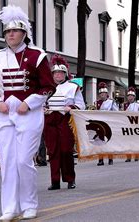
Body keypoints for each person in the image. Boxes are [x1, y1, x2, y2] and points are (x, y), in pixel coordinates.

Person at [0, 5, 56, 220]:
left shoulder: (37, 55)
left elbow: (48, 86)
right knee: (7, 163)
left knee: (23, 161)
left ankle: (28, 204)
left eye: (14, 31)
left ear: (24, 32)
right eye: (7, 32)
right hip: (5, 114)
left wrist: (31, 102)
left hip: (29, 114)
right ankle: (9, 208)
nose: (10, 35)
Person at [44, 54, 84, 190]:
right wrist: (43, 109)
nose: (58, 75)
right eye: (55, 73)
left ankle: (70, 179)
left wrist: (70, 107)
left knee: (66, 150)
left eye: (60, 73)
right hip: (50, 121)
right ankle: (55, 180)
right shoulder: (46, 87)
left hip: (65, 120)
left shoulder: (73, 87)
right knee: (53, 151)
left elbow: (81, 105)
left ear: (65, 74)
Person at [95, 82, 118, 166]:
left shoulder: (111, 102)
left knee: (109, 142)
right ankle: (100, 159)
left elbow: (116, 113)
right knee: (100, 142)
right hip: (100, 124)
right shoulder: (96, 103)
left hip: (109, 124)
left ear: (106, 94)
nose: (102, 95)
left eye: (103, 93)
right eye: (100, 93)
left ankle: (110, 158)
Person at [122, 87, 139, 162]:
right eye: (128, 96)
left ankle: (136, 155)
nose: (130, 97)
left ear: (134, 97)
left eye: (131, 96)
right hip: (127, 125)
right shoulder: (124, 105)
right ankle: (128, 156)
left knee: (135, 141)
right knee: (127, 141)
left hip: (136, 125)